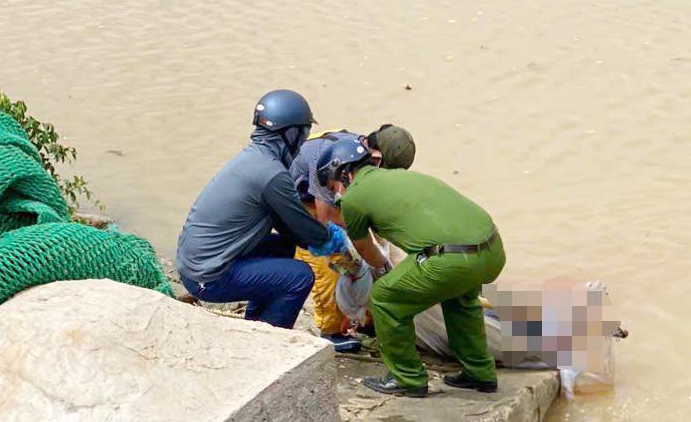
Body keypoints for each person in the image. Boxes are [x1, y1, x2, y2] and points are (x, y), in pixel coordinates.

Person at [318, 138, 505, 398]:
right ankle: (480, 374)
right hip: (492, 250)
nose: (336, 192)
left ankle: (407, 378)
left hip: (452, 260)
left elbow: (364, 248)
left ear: (344, 173)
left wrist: (384, 270)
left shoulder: (354, 198)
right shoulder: (399, 177)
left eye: (333, 185)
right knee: (460, 300)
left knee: (385, 297)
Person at [175, 89, 348, 329]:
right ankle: (269, 342)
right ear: (291, 133)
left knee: (284, 247)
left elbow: (289, 226)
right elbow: (305, 229)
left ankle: (255, 325)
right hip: (208, 277)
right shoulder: (272, 174)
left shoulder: (254, 159)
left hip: (197, 263)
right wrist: (333, 239)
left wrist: (312, 238)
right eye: (304, 131)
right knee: (300, 276)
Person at [288, 125, 415, 352]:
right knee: (331, 259)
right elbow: (325, 221)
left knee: (376, 249)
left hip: (335, 198)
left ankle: (367, 319)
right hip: (304, 203)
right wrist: (358, 241)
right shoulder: (329, 158)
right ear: (375, 158)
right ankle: (331, 331)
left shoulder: (365, 158)